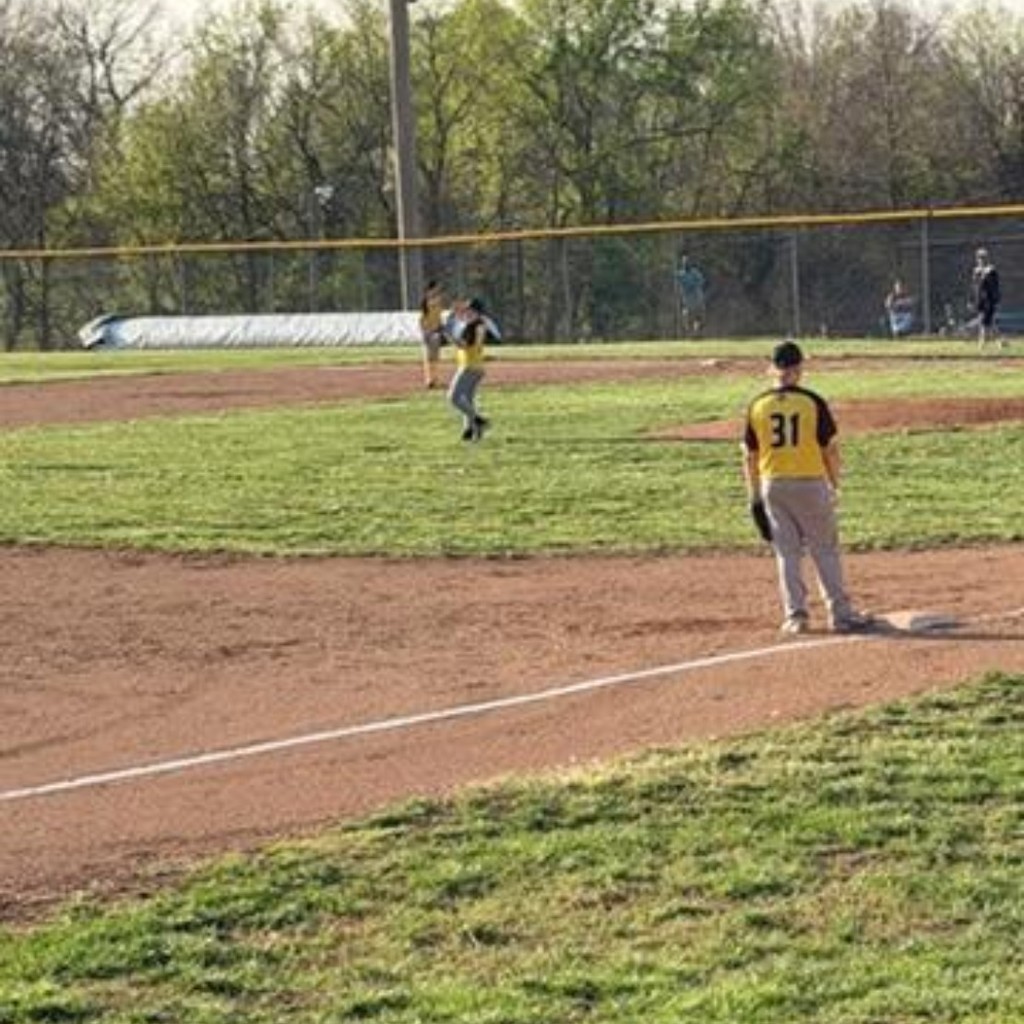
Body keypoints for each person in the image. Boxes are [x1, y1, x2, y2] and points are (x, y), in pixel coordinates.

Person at [742, 340, 876, 636]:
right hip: (809, 481)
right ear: (799, 369)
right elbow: (830, 449)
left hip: (772, 484)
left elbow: (749, 456)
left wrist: (753, 497)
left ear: (773, 369)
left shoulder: (757, 405)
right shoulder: (812, 402)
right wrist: (834, 483)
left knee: (787, 552)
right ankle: (840, 615)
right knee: (824, 549)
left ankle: (796, 616)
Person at [447, 297, 494, 442]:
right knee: (468, 400)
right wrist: (454, 314)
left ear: (478, 313)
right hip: (476, 367)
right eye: (467, 310)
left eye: (471, 311)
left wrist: (448, 336)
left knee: (453, 398)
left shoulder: (474, 326)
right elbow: (461, 320)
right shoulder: (477, 324)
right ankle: (470, 430)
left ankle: (479, 421)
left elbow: (464, 345)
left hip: (469, 367)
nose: (467, 313)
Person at [971, 248, 1002, 352]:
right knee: (989, 322)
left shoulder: (991, 270)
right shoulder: (976, 270)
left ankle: (982, 344)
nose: (981, 259)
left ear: (987, 258)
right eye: (979, 257)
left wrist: (996, 300)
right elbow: (975, 287)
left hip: (989, 300)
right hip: (980, 300)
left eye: (983, 257)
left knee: (984, 322)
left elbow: (995, 287)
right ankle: (1000, 342)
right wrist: (973, 300)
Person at [419, 279, 446, 388]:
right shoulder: (426, 301)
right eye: (436, 287)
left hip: (436, 331)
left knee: (435, 357)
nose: (438, 289)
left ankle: (435, 379)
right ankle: (429, 379)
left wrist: (441, 327)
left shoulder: (438, 300)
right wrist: (425, 331)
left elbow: (438, 317)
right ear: (430, 289)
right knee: (428, 357)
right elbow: (422, 318)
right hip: (427, 331)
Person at [675, 255, 706, 336]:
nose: (685, 264)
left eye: (687, 262)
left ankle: (696, 331)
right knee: (686, 313)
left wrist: (693, 285)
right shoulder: (680, 274)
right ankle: (688, 330)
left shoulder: (695, 273)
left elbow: (701, 281)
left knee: (698, 315)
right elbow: (678, 284)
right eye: (684, 262)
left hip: (696, 295)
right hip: (687, 297)